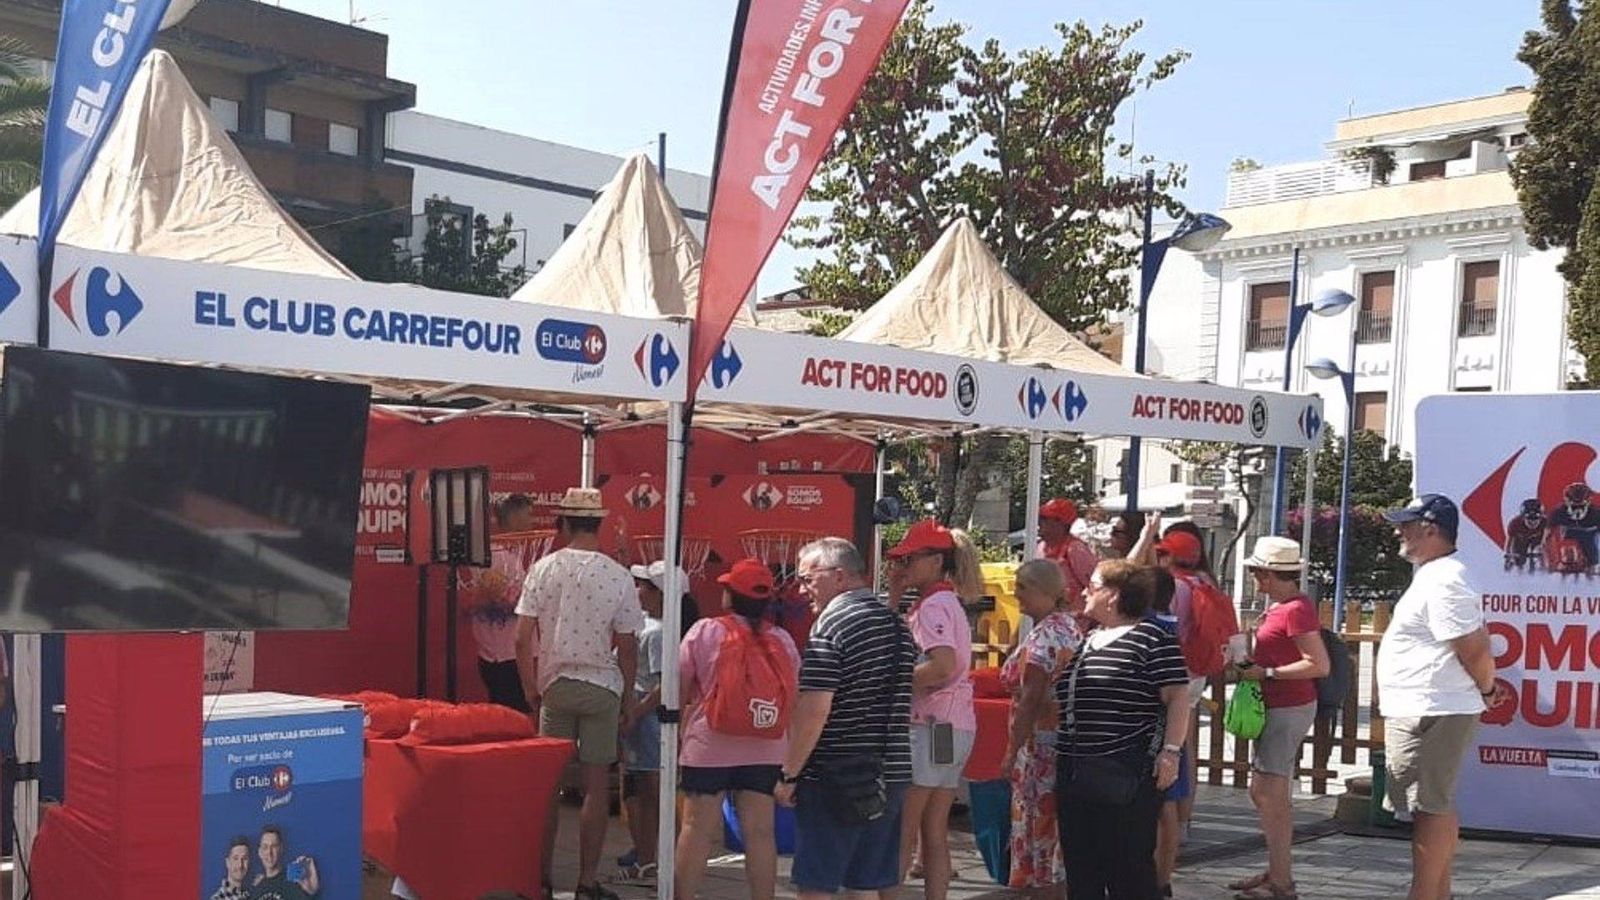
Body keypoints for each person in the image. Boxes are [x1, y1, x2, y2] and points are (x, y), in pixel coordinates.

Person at [1377, 495, 1511, 900]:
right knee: (1428, 806)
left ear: (1430, 529)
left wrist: (1487, 689)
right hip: (1429, 705)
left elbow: (1474, 649)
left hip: (1438, 707)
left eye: (1406, 524)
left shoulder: (1446, 579)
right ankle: (1439, 894)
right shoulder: (1434, 574)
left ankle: (1424, 896)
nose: (1398, 531)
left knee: (1431, 807)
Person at [516, 487, 644, 900]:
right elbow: (627, 645)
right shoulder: (618, 575)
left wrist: (530, 689)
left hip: (554, 685)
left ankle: (541, 879)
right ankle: (587, 880)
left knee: (546, 789)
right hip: (602, 686)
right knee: (594, 786)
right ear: (599, 524)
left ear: (565, 523)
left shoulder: (543, 568)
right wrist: (627, 700)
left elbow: (521, 639)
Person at [774, 537, 917, 900]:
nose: (803, 590)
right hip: (891, 770)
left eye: (808, 579)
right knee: (869, 882)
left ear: (838, 576)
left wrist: (789, 773)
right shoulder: (896, 624)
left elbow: (814, 708)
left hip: (837, 774)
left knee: (817, 882)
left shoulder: (832, 624)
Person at [1055, 560, 1191, 900]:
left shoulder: (1152, 637)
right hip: (1076, 770)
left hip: (1127, 770)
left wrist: (1171, 753)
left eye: (1093, 584)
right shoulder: (1089, 638)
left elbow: (1177, 696)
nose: (1085, 589)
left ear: (1113, 595)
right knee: (1082, 869)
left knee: (1128, 869)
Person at [675, 559, 801, 900]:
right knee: (760, 833)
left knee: (696, 830)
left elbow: (680, 686)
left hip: (709, 747)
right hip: (766, 747)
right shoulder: (783, 640)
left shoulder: (705, 631)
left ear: (731, 596)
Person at [1225, 537, 1330, 900]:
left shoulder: (1295, 609)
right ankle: (1277, 870)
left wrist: (1266, 673)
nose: (1253, 577)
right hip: (1279, 704)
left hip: (1287, 706)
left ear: (1268, 574)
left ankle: (1281, 881)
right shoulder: (1284, 606)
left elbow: (1318, 664)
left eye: (1255, 571)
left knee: (1269, 793)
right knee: (1269, 792)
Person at [885, 520, 980, 900]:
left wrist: (892, 681)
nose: (902, 565)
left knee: (902, 829)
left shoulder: (932, 606)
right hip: (950, 724)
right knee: (934, 829)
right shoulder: (946, 601)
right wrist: (894, 596)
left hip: (930, 724)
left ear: (936, 560)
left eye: (910, 558)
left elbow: (941, 665)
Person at [1000, 559, 1082, 899]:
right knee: (1053, 837)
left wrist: (1010, 750)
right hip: (1060, 740)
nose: (1016, 594)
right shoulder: (1070, 628)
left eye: (1022, 587)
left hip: (1037, 746)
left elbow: (1031, 699)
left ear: (1044, 591)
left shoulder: (1044, 637)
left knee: (1037, 832)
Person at [613, 560, 685, 884]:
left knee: (656, 791)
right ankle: (646, 856)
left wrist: (635, 713)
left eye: (644, 586)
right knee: (641, 790)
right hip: (635, 718)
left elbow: (662, 685)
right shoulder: (644, 624)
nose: (637, 590)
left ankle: (668, 858)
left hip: (647, 720)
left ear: (659, 594)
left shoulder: (658, 633)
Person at [468, 493, 535, 712]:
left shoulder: (507, 554)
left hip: (509, 654)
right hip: (503, 657)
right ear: (514, 516)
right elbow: (500, 597)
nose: (531, 521)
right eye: (527, 515)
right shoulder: (494, 556)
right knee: (513, 719)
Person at [1039, 498, 1100, 611]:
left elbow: (1096, 586)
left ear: (1061, 523)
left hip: (1076, 623)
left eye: (1045, 518)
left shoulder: (1075, 549)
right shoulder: (1041, 547)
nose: (1040, 523)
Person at [248, 826, 317, 900]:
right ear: (260, 852)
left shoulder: (294, 881)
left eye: (274, 846)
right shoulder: (256, 888)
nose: (269, 852)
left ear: (281, 849)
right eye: (265, 847)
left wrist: (311, 892)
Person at [211, 836, 253, 900]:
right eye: (236, 858)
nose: (240, 865)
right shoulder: (218, 898)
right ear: (227, 862)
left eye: (244, 859)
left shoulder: (251, 895)